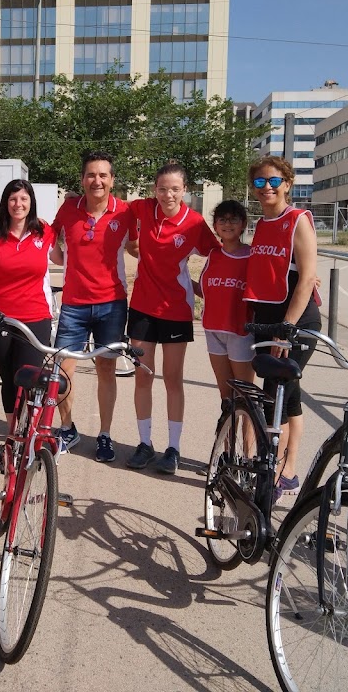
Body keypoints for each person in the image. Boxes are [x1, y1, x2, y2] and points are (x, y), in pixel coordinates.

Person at [124, 162, 219, 475]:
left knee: (173, 379)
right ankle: (144, 443)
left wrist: (205, 287)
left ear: (185, 191)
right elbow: (112, 211)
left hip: (176, 311)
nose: (168, 194)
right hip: (141, 309)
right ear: (155, 190)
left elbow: (220, 254)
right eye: (162, 188)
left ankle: (174, 448)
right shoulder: (142, 209)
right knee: (143, 376)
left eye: (175, 189)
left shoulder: (194, 223)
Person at [242, 157, 321, 502]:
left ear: (287, 183)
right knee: (287, 397)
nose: (267, 188)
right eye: (259, 183)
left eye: (274, 181)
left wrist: (286, 328)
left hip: (294, 322)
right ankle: (284, 470)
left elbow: (306, 279)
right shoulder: (261, 225)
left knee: (278, 396)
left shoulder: (298, 220)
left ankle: (280, 473)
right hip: (267, 318)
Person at [50, 151, 133, 462]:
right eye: (90, 175)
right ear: (82, 179)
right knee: (61, 372)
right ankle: (68, 428)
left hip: (112, 305)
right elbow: (49, 237)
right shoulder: (69, 208)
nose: (96, 180)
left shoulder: (125, 212)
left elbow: (139, 244)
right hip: (73, 304)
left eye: (103, 175)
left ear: (112, 180)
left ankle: (105, 434)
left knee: (106, 369)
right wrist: (59, 258)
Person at [0, 180, 56, 433]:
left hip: (36, 317)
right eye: (13, 199)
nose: (18, 204)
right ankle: (13, 434)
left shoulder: (44, 232)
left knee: (31, 380)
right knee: (10, 380)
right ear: (5, 203)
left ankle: (30, 432)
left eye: (24, 199)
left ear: (31, 202)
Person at [194, 199, 256, 401]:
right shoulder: (213, 255)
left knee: (246, 396)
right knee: (226, 396)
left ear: (243, 224)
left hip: (240, 332)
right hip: (213, 331)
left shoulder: (252, 256)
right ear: (215, 226)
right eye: (222, 220)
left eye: (234, 219)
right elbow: (206, 291)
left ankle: (249, 434)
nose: (228, 224)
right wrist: (178, 276)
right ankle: (228, 433)